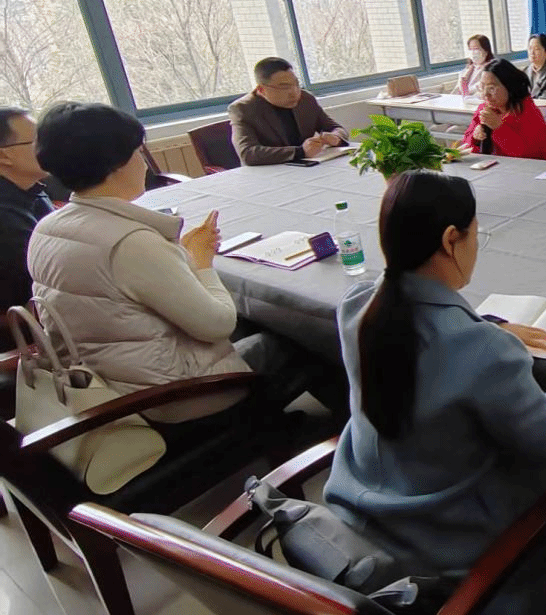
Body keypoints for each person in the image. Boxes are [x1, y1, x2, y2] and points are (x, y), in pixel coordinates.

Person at [324, 171, 546, 615]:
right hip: (455, 546)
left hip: (366, 512)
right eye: (474, 235)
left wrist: (486, 325)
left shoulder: (358, 307)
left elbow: (426, 352)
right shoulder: (481, 350)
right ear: (452, 239)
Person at [26, 103, 341, 425]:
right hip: (170, 396)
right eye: (137, 152)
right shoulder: (131, 242)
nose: (142, 164)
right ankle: (338, 432)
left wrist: (184, 258)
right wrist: (201, 262)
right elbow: (218, 324)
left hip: (105, 380)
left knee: (257, 319)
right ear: (117, 163)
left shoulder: (47, 228)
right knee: (306, 333)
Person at [0, 107, 53, 350]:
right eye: (37, 141)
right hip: (26, 339)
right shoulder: (5, 219)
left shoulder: (31, 189)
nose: (48, 148)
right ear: (4, 156)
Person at [229, 57, 347, 166]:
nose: (294, 93)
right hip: (268, 173)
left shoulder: (306, 99)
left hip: (309, 167)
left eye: (296, 84)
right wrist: (300, 152)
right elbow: (248, 153)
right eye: (284, 87)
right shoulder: (243, 109)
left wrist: (335, 137)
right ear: (261, 89)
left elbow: (336, 128)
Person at [459, 58, 546, 161]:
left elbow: (530, 155)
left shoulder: (528, 111)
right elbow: (466, 145)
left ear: (509, 87)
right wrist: (475, 137)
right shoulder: (484, 109)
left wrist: (499, 127)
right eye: (482, 87)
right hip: (494, 167)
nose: (486, 94)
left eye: (491, 88)